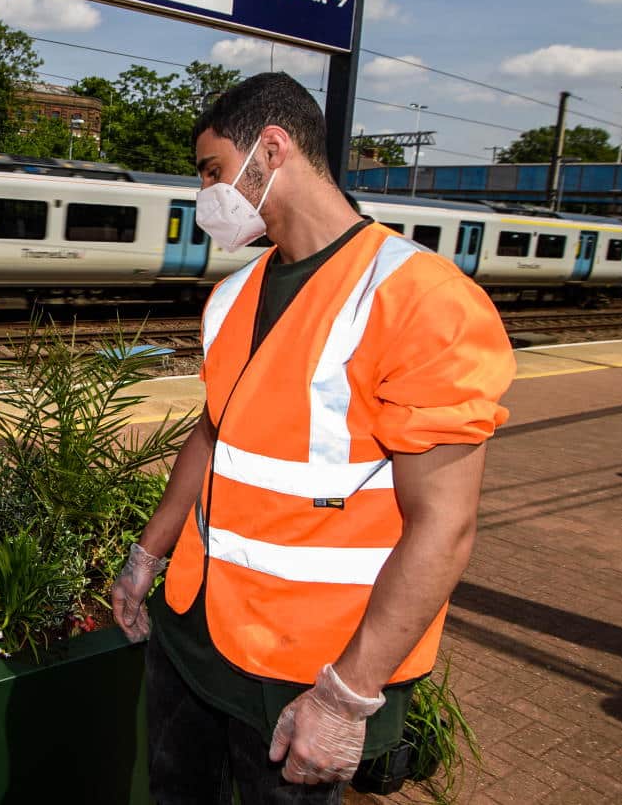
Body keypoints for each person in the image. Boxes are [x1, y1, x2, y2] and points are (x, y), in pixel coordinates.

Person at [110, 72, 514, 805]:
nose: (206, 195)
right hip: (191, 640)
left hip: (304, 674)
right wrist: (148, 555)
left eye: (211, 171)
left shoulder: (421, 299)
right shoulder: (233, 296)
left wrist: (347, 696)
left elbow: (444, 527)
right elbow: (211, 435)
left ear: (271, 149)